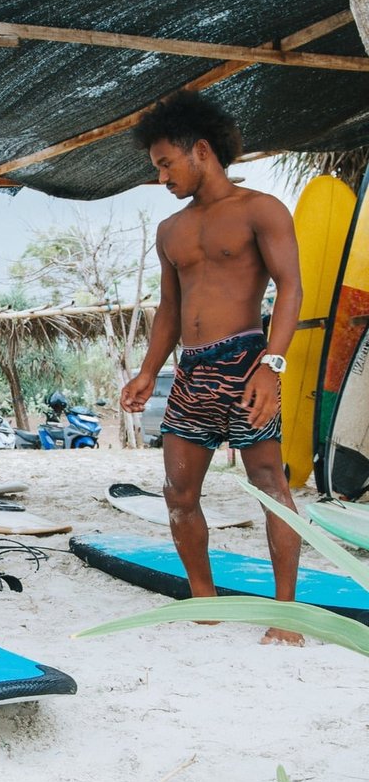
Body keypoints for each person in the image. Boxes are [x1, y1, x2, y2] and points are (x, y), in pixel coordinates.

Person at [120, 90, 304, 646]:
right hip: (192, 371)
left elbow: (292, 287)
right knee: (178, 492)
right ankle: (203, 601)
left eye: (165, 163)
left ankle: (287, 615)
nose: (161, 177)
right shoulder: (171, 231)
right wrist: (150, 370)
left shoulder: (260, 210)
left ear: (201, 150)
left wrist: (272, 365)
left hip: (249, 360)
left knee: (270, 484)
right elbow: (170, 310)